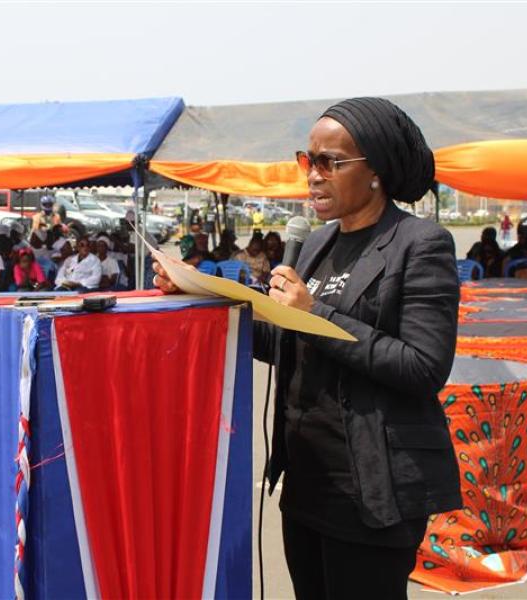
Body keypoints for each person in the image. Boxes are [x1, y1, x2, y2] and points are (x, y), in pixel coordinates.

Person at [154, 97, 461, 599]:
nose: (313, 175)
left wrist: (315, 314)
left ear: (376, 171)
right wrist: (206, 298)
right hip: (308, 481)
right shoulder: (316, 244)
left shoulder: (419, 244)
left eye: (329, 162)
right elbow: (286, 340)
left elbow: (423, 366)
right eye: (307, 160)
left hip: (373, 488)